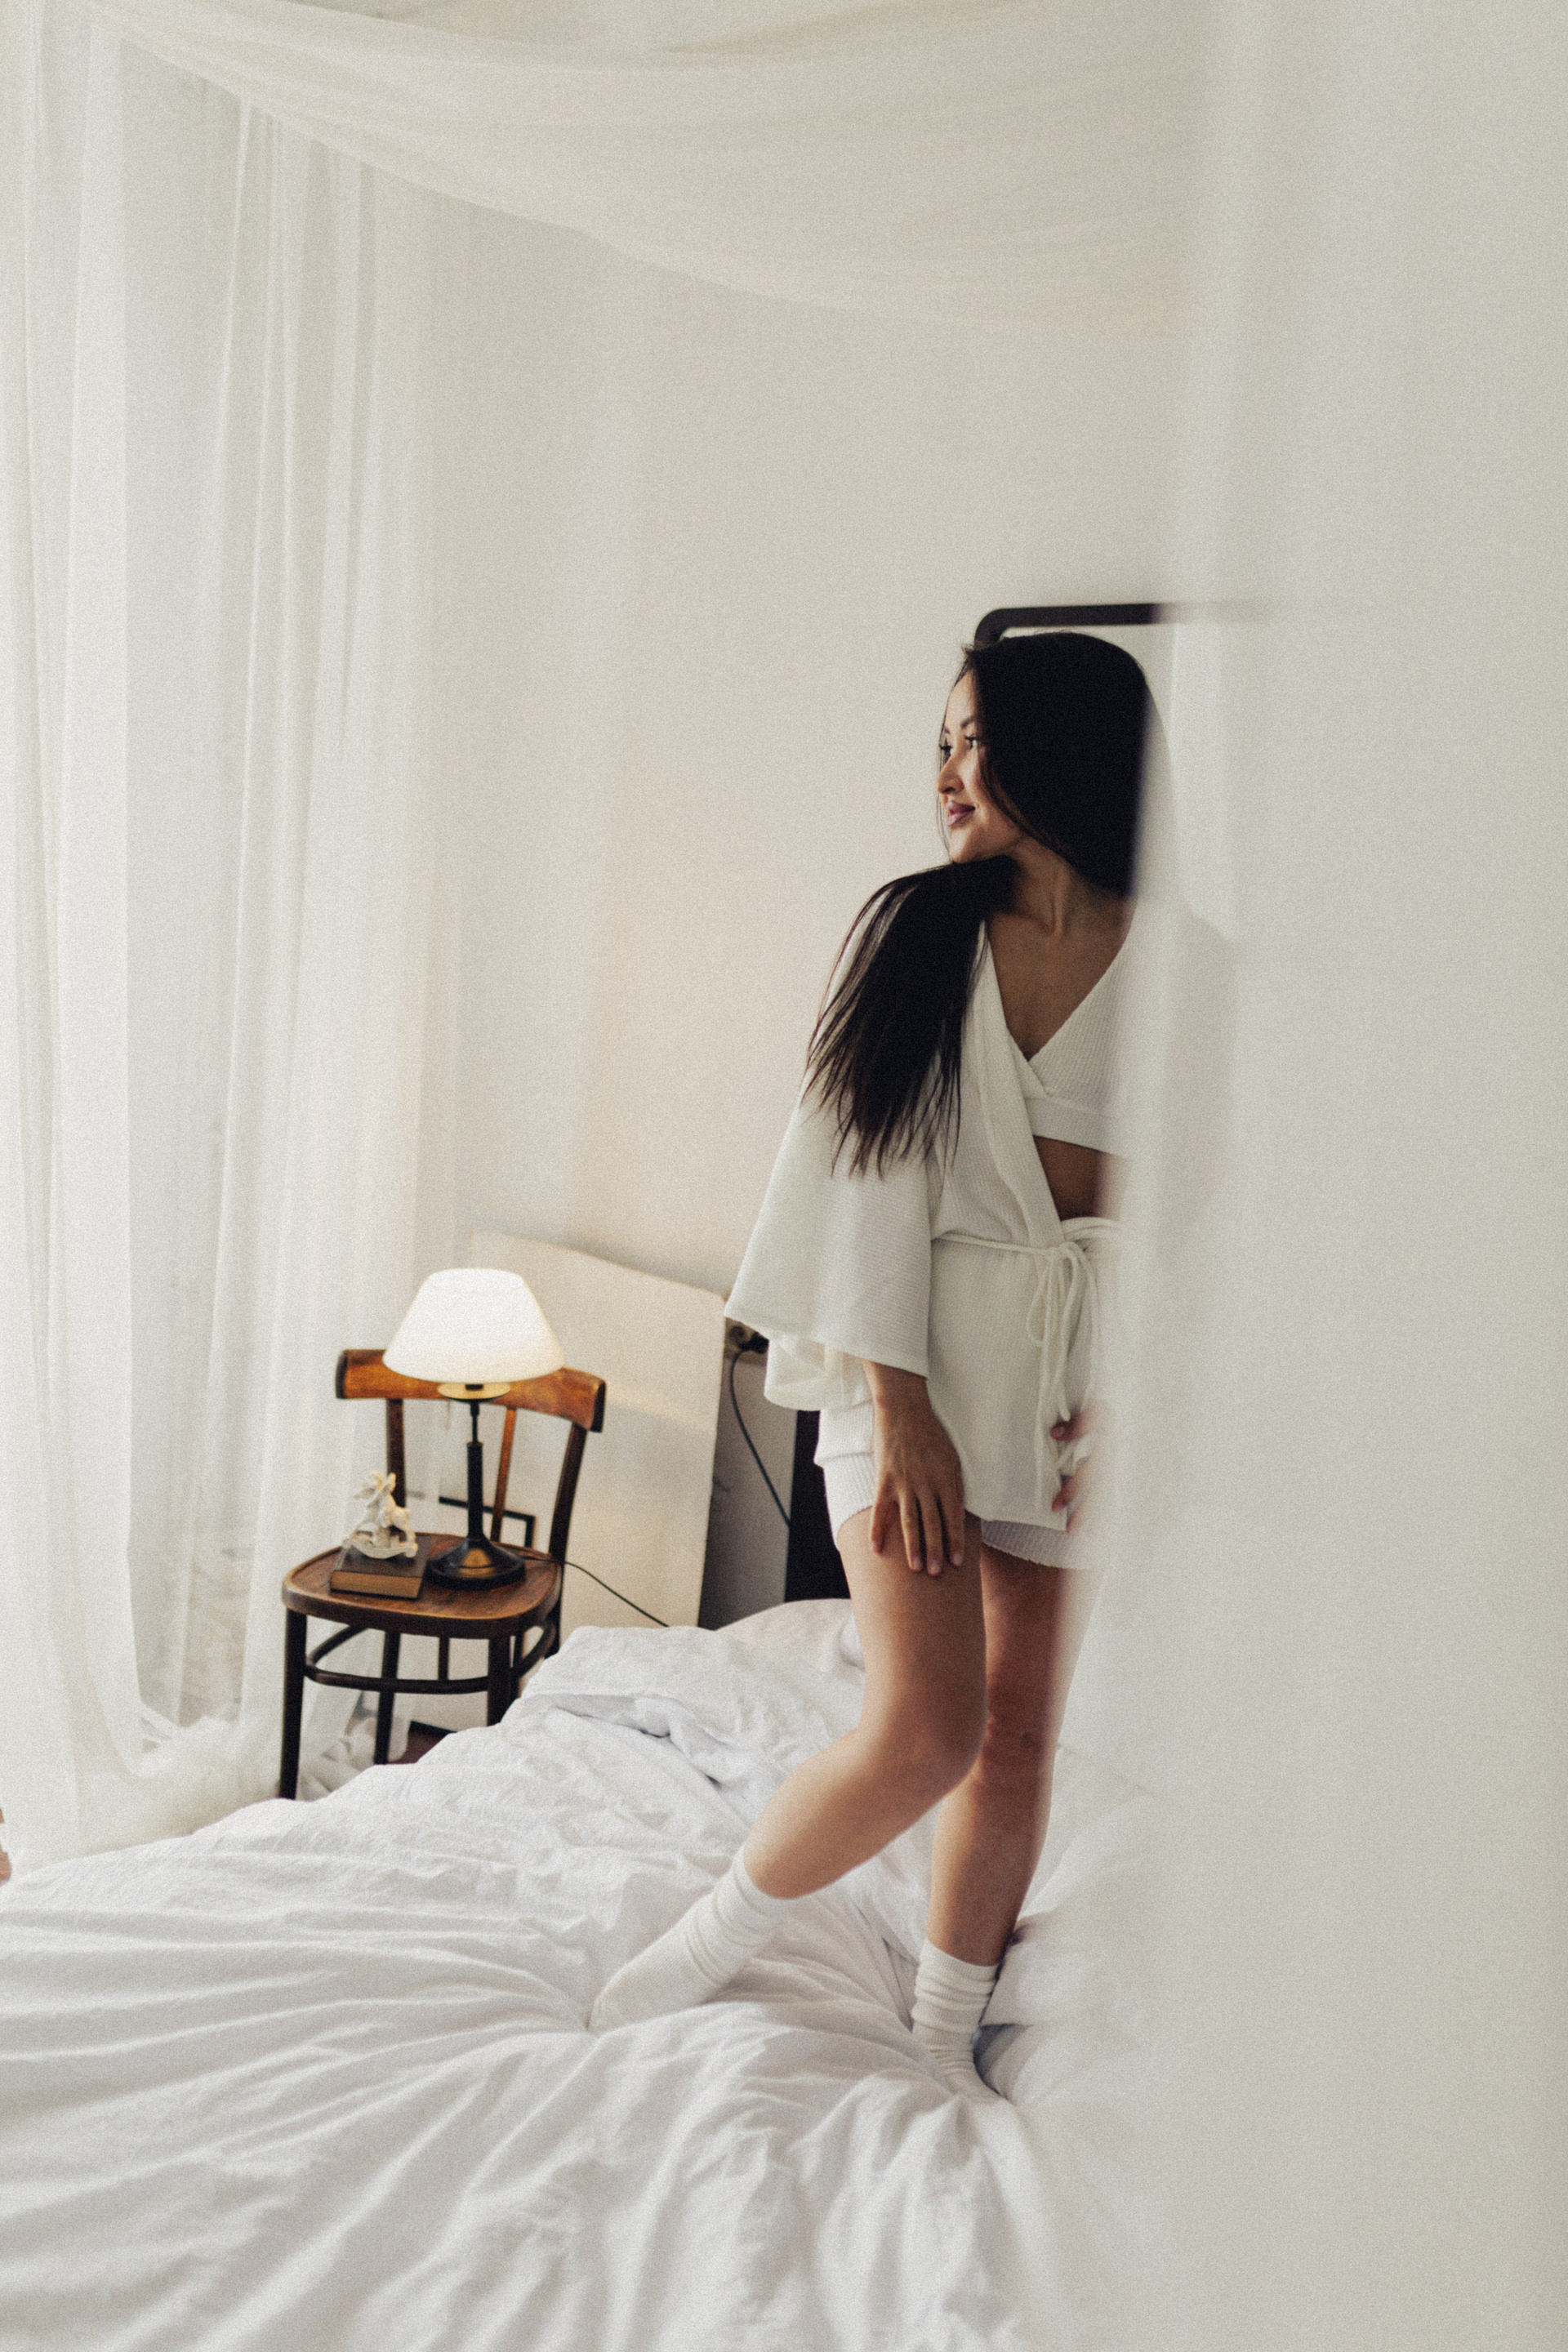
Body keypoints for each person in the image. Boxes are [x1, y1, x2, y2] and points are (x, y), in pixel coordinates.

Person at [590, 630, 1152, 2099]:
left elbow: (1212, 1206)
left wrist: (1143, 1396)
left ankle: (939, 2037)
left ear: (1065, 751)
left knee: (1020, 1732)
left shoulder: (1187, 967)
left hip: (1073, 1391)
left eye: (974, 741)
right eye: (941, 747)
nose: (948, 775)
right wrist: (900, 1411)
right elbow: (857, 1171)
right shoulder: (921, 932)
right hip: (902, 1372)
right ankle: (708, 1941)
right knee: (927, 1727)